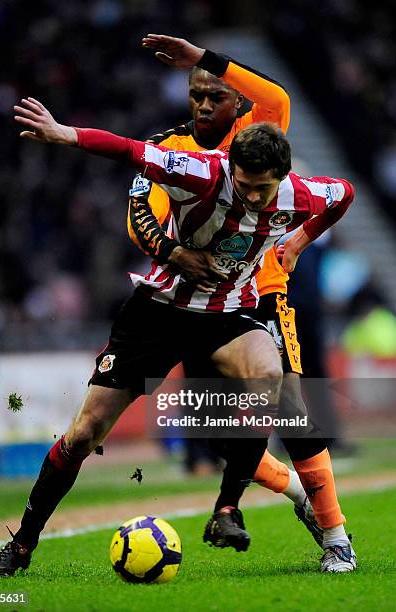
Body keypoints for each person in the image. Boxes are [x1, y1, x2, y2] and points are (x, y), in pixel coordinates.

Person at [0, 82, 355, 579]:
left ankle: (268, 520)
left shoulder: (302, 194)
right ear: (230, 169)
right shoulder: (200, 172)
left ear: (282, 179)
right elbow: (127, 150)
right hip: (158, 312)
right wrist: (64, 134)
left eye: (259, 189)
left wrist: (300, 242)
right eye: (241, 184)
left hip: (229, 314)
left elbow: (345, 194)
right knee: (84, 433)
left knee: (276, 391)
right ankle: (22, 546)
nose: (248, 195)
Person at [130, 34, 352, 567]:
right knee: (220, 426)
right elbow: (141, 221)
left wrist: (297, 241)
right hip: (192, 303)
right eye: (196, 96)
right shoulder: (170, 151)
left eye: (216, 95)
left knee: (291, 409)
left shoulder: (254, 139)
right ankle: (300, 495)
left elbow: (280, 101)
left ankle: (336, 537)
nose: (205, 105)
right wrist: (172, 250)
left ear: (236, 102)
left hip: (260, 292)